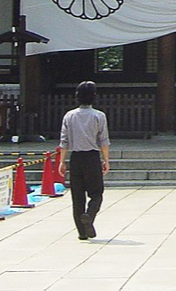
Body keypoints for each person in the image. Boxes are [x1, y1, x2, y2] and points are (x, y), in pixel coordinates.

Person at [57, 80, 110, 241]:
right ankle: (89, 215)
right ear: (94, 96)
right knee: (96, 193)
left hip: (76, 158)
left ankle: (81, 232)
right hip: (92, 157)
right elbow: (103, 140)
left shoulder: (69, 116)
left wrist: (61, 161)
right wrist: (106, 160)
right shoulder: (99, 116)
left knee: (77, 196)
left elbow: (64, 141)